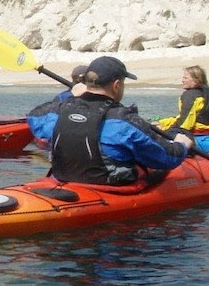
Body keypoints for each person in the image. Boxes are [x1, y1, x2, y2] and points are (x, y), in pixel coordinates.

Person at [27, 55, 194, 187]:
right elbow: (166, 158)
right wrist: (181, 145)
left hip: (64, 178)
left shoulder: (59, 111)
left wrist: (71, 96)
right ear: (116, 85)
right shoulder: (124, 122)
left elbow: (34, 117)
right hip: (109, 185)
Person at [155, 65, 209, 134]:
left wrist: (166, 132)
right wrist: (162, 123)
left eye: (185, 78)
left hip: (197, 132)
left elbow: (185, 123)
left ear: (196, 80)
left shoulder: (191, 95)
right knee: (159, 124)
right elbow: (187, 117)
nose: (182, 80)